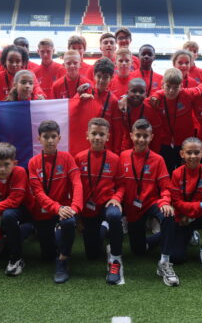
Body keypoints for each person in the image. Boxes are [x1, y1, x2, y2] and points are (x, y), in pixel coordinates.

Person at [119, 118, 179, 287]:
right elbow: (118, 185)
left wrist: (166, 201)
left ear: (151, 137)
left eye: (145, 136)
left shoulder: (158, 159)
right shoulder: (123, 156)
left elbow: (166, 187)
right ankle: (173, 235)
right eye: (138, 135)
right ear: (131, 136)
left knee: (168, 215)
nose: (141, 139)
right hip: (131, 207)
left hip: (152, 203)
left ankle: (165, 262)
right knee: (139, 251)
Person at [28, 120, 83, 283]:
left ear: (59, 138)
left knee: (68, 222)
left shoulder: (67, 158)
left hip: (65, 210)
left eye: (53, 137)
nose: (50, 140)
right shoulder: (33, 162)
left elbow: (77, 183)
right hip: (44, 212)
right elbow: (37, 192)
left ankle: (64, 259)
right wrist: (56, 208)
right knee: (47, 256)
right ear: (39, 139)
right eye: (46, 137)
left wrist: (75, 208)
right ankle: (52, 240)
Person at [74, 118, 124, 284]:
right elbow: (75, 188)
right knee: (92, 255)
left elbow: (122, 185)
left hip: (106, 204)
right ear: (87, 135)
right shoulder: (79, 158)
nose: (97, 137)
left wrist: (116, 198)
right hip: (88, 209)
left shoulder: (115, 159)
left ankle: (115, 258)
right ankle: (103, 228)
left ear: (107, 137)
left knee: (115, 215)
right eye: (94, 133)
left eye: (101, 134)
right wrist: (79, 217)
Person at [0, 142, 31, 276]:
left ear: (15, 163)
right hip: (9, 213)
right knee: (6, 216)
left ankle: (17, 258)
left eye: (6, 164)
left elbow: (14, 201)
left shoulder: (20, 172)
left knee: (8, 215)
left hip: (29, 213)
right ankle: (10, 246)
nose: (2, 169)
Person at [170, 137, 202, 269]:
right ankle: (191, 234)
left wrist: (193, 213)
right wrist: (199, 206)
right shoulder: (176, 174)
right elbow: (176, 202)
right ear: (182, 154)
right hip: (183, 218)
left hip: (199, 217)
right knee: (176, 258)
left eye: (197, 152)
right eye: (189, 152)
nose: (193, 156)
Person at [149, 68, 201, 173]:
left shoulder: (188, 94)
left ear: (181, 87)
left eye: (175, 87)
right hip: (165, 143)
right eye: (168, 87)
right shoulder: (157, 99)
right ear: (162, 85)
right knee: (166, 172)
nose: (171, 91)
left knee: (185, 173)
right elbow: (139, 101)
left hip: (184, 143)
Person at [76, 58, 123, 154]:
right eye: (99, 76)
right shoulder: (85, 92)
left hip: (105, 148)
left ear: (111, 78)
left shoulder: (113, 101)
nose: (101, 80)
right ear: (93, 75)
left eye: (105, 77)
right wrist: (79, 100)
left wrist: (116, 152)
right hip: (85, 146)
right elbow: (73, 112)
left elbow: (117, 131)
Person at [120, 78, 162, 153]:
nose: (137, 94)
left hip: (145, 149)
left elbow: (156, 136)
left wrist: (154, 154)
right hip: (125, 149)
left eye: (141, 92)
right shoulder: (121, 107)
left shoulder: (151, 109)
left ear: (146, 93)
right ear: (127, 92)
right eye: (134, 91)